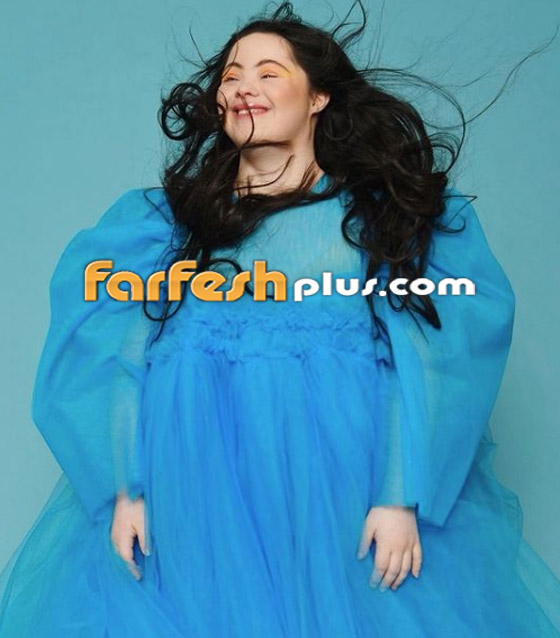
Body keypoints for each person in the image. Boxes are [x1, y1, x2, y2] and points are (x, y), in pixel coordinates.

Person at [1, 2, 560, 636]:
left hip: (338, 496)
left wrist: (401, 494)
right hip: (194, 501)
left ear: (319, 96)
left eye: (269, 73)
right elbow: (113, 352)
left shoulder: (380, 221)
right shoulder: (162, 229)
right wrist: (124, 489)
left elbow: (433, 356)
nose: (244, 88)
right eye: (232, 75)